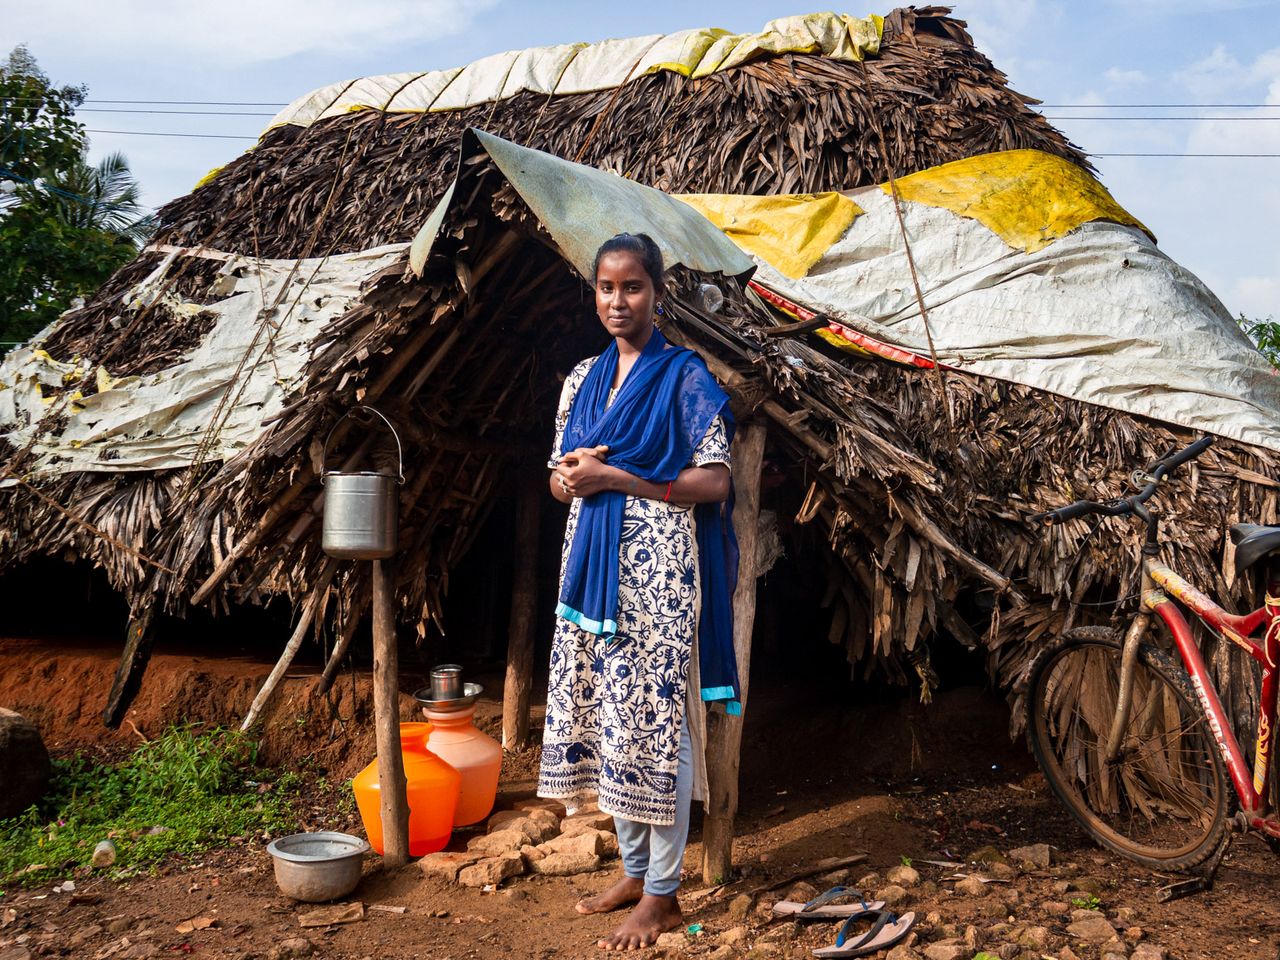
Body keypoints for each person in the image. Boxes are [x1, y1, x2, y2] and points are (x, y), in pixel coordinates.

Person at [538, 233, 743, 951]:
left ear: (657, 293)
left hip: (657, 578)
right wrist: (569, 478)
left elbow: (713, 481)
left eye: (631, 287)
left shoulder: (685, 379)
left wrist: (616, 478)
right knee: (609, 719)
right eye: (605, 287)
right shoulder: (581, 381)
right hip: (590, 577)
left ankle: (663, 893)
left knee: (656, 724)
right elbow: (559, 479)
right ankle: (631, 870)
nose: (616, 301)